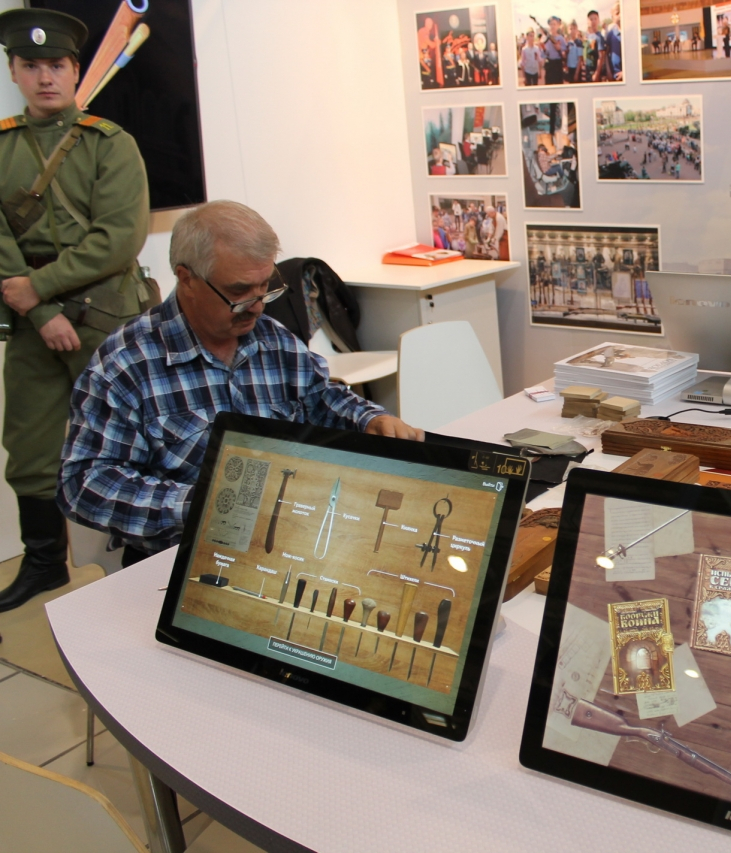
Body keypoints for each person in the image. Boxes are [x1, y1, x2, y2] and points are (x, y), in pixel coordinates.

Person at [58, 201, 424, 565]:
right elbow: (84, 483)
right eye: (239, 291)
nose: (257, 306)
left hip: (285, 539)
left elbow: (320, 397)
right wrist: (206, 503)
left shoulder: (272, 338)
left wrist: (369, 419)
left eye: (265, 287)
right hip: (180, 555)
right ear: (187, 279)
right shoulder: (126, 363)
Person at [0, 9, 150, 612]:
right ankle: (44, 564)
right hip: (31, 322)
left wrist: (38, 288)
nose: (45, 78)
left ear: (74, 69)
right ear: (13, 71)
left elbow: (118, 239)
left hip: (105, 317)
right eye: (31, 65)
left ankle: (142, 558)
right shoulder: (3, 146)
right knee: (29, 447)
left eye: (57, 65)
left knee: (133, 439)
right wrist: (39, 311)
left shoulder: (109, 144)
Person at [542, 16, 567, 85]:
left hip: (558, 64)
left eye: (554, 24)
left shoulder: (561, 38)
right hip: (549, 64)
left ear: (558, 26)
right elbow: (543, 54)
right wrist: (544, 49)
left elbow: (565, 53)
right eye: (551, 24)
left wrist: (560, 49)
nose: (553, 26)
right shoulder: (545, 38)